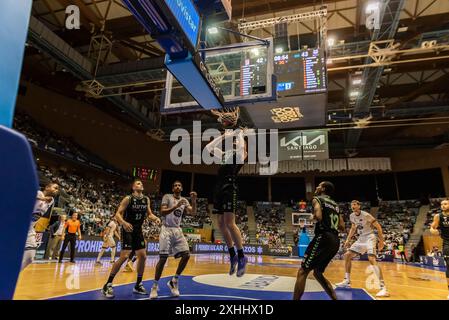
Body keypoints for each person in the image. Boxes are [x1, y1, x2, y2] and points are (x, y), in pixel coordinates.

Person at [101, 179, 161, 298]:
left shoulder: (146, 199)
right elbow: (118, 213)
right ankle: (107, 284)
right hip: (127, 228)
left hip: (138, 230)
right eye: (138, 183)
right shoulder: (128, 199)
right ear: (133, 188)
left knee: (143, 256)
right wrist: (123, 223)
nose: (141, 184)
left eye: (141, 183)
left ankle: (138, 284)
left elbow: (149, 214)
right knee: (124, 256)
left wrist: (156, 218)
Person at [206, 107, 248, 277]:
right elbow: (209, 147)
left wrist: (239, 134)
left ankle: (242, 256)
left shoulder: (240, 156)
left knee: (230, 223)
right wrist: (224, 135)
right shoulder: (223, 154)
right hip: (218, 187)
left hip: (230, 186)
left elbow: (241, 146)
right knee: (221, 224)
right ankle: (232, 256)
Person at [293, 181, 344, 300]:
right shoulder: (335, 205)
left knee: (302, 271)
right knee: (317, 273)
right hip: (335, 240)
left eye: (319, 185)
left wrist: (313, 217)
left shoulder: (317, 199)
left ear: (323, 189)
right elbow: (342, 226)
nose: (317, 187)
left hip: (323, 237)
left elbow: (319, 216)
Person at [150, 181, 197, 299]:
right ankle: (154, 286)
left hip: (177, 229)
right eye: (175, 185)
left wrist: (194, 200)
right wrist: (176, 206)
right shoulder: (167, 197)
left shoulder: (185, 200)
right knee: (163, 258)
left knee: (186, 255)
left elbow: (193, 212)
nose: (177, 187)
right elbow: (162, 212)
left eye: (179, 185)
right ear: (173, 188)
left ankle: (174, 280)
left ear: (181, 188)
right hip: (166, 229)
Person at [336, 200, 389, 297]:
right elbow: (353, 228)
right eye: (352, 205)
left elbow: (378, 227)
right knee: (347, 255)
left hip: (369, 237)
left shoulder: (366, 215)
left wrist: (381, 241)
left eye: (355, 205)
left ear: (359, 206)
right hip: (361, 238)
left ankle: (383, 288)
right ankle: (347, 280)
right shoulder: (352, 216)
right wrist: (348, 240)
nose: (353, 206)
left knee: (371, 259)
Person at [21, 182, 59, 270]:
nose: (57, 190)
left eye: (57, 189)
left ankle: (12, 273)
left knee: (30, 256)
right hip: (18, 224)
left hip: (29, 228)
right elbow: (26, 194)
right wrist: (42, 198)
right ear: (47, 187)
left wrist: (45, 199)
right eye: (55, 188)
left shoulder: (52, 200)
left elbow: (49, 199)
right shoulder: (38, 193)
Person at [430, 198, 449, 299]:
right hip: (447, 244)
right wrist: (433, 230)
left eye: (445, 204)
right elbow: (433, 227)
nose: (443, 206)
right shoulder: (438, 216)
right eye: (442, 204)